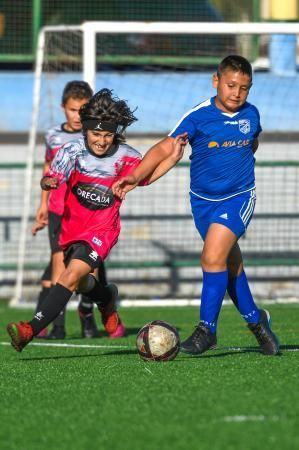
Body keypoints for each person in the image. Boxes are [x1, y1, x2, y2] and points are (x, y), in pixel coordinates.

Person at [112, 55, 280, 356]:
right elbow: (165, 147)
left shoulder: (251, 115)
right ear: (216, 81)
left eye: (245, 87)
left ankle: (207, 330)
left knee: (211, 257)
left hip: (239, 197)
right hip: (203, 203)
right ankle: (258, 323)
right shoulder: (199, 116)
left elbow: (252, 143)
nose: (237, 93)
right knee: (230, 266)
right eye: (231, 85)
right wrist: (134, 176)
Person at [7, 88, 187, 352]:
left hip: (102, 230)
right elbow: (50, 177)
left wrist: (172, 158)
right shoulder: (72, 152)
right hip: (71, 229)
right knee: (82, 284)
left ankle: (29, 329)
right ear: (86, 131)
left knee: (69, 276)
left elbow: (146, 176)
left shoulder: (125, 155)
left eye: (107, 134)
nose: (102, 141)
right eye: (96, 134)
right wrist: (48, 182)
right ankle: (106, 297)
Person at [33, 80, 105, 339]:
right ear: (63, 107)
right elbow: (48, 169)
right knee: (57, 264)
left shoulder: (96, 133)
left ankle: (87, 319)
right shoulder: (53, 135)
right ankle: (58, 326)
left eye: (82, 110)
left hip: (89, 210)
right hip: (58, 208)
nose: (77, 116)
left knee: (90, 266)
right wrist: (42, 203)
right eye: (73, 110)